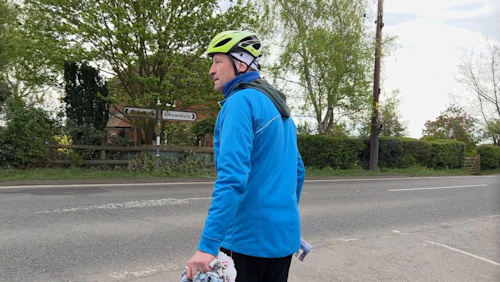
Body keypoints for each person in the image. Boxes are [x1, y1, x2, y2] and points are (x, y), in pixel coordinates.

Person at [186, 30, 305, 282]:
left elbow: (232, 179)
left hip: (247, 242)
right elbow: (298, 172)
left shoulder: (241, 102)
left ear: (240, 64)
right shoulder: (280, 109)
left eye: (218, 61)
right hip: (283, 239)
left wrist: (207, 246)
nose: (211, 70)